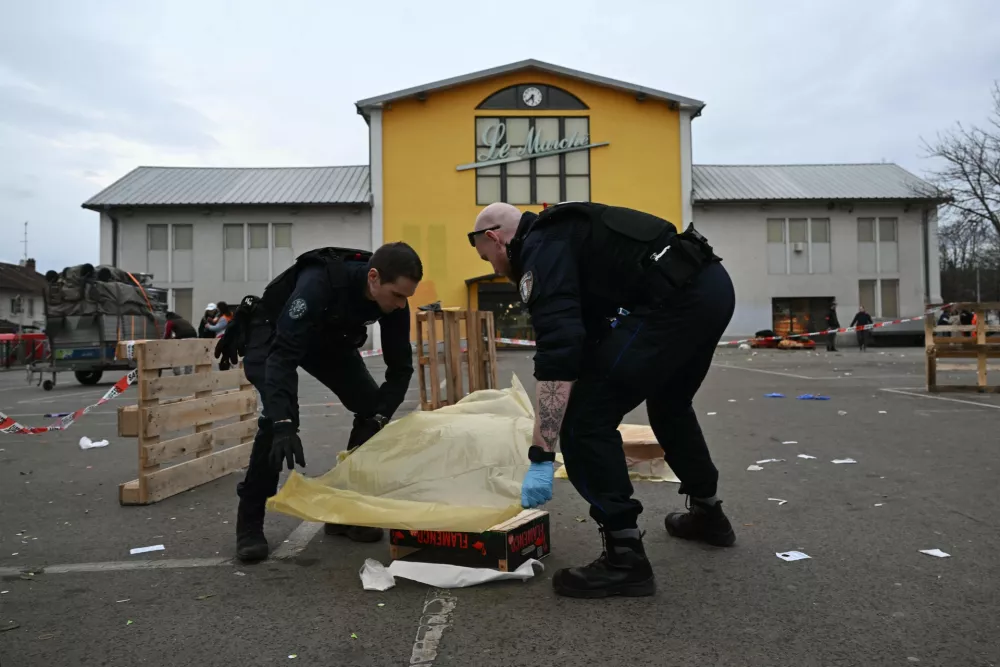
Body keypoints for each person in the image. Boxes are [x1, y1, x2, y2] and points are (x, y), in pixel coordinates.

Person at [469, 201, 736, 599]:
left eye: (486, 256)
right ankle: (709, 514)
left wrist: (542, 455)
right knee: (670, 403)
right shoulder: (565, 235)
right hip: (711, 288)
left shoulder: (541, 249)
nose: (492, 266)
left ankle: (625, 557)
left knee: (583, 423)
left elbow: (559, 350)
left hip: (675, 302)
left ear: (494, 237)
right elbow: (588, 339)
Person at [214, 242, 422, 563]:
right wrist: (284, 422)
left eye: (406, 298)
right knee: (276, 423)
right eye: (396, 295)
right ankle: (250, 521)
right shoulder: (318, 282)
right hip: (274, 332)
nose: (400, 305)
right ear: (374, 278)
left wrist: (380, 417)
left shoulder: (396, 301)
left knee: (370, 410)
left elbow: (401, 368)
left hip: (326, 340)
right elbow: (282, 356)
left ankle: (345, 512)